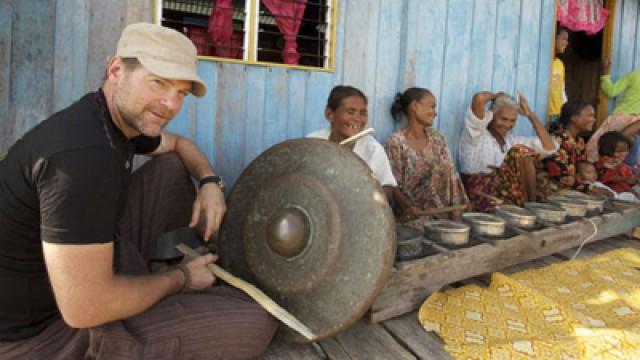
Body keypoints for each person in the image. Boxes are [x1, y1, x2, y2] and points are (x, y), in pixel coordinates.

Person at [0, 23, 276, 360]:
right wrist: (182, 279)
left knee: (172, 166)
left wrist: (209, 182)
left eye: (181, 92)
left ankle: (148, 283)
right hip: (42, 334)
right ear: (116, 69)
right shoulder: (83, 157)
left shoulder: (108, 118)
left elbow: (179, 144)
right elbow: (84, 310)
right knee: (256, 321)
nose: (170, 104)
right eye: (158, 82)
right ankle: (165, 285)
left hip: (78, 275)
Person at [384, 87, 468, 230]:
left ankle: (453, 219)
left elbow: (451, 177)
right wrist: (408, 208)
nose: (435, 113)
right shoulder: (395, 143)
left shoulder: (437, 138)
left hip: (443, 211)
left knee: (445, 167)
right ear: (415, 106)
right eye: (432, 106)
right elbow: (392, 184)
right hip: (414, 213)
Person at [458, 91, 557, 212]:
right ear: (492, 115)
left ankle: (531, 207)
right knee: (519, 152)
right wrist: (496, 96)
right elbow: (479, 99)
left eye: (512, 120)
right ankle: (530, 208)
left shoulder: (510, 140)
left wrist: (530, 114)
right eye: (503, 119)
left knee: (528, 161)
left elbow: (549, 148)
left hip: (505, 195)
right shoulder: (476, 135)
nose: (507, 124)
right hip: (480, 196)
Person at [307, 85, 397, 198]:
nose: (358, 119)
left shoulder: (372, 149)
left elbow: (387, 187)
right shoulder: (313, 143)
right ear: (329, 114)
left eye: (363, 113)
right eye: (350, 112)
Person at [545, 100, 609, 196]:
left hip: (575, 186)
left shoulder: (579, 141)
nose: (594, 119)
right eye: (590, 115)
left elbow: (582, 168)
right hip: (555, 188)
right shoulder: (558, 141)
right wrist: (591, 188)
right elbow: (562, 178)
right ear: (574, 118)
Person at [548, 26, 570, 126]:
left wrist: (565, 110)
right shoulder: (543, 62)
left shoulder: (560, 64)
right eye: (563, 38)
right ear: (553, 37)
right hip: (544, 113)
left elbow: (562, 89)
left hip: (557, 113)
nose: (566, 43)